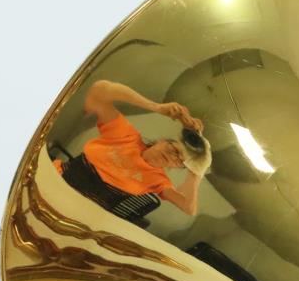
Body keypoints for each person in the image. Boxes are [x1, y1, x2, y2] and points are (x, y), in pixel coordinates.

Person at [52, 79, 211, 216]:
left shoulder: (158, 180)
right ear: (161, 141)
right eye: (174, 150)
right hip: (56, 181)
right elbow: (99, 92)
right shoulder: (126, 136)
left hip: (80, 213)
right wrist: (156, 107)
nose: (172, 157)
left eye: (179, 161)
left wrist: (198, 169)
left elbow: (189, 208)